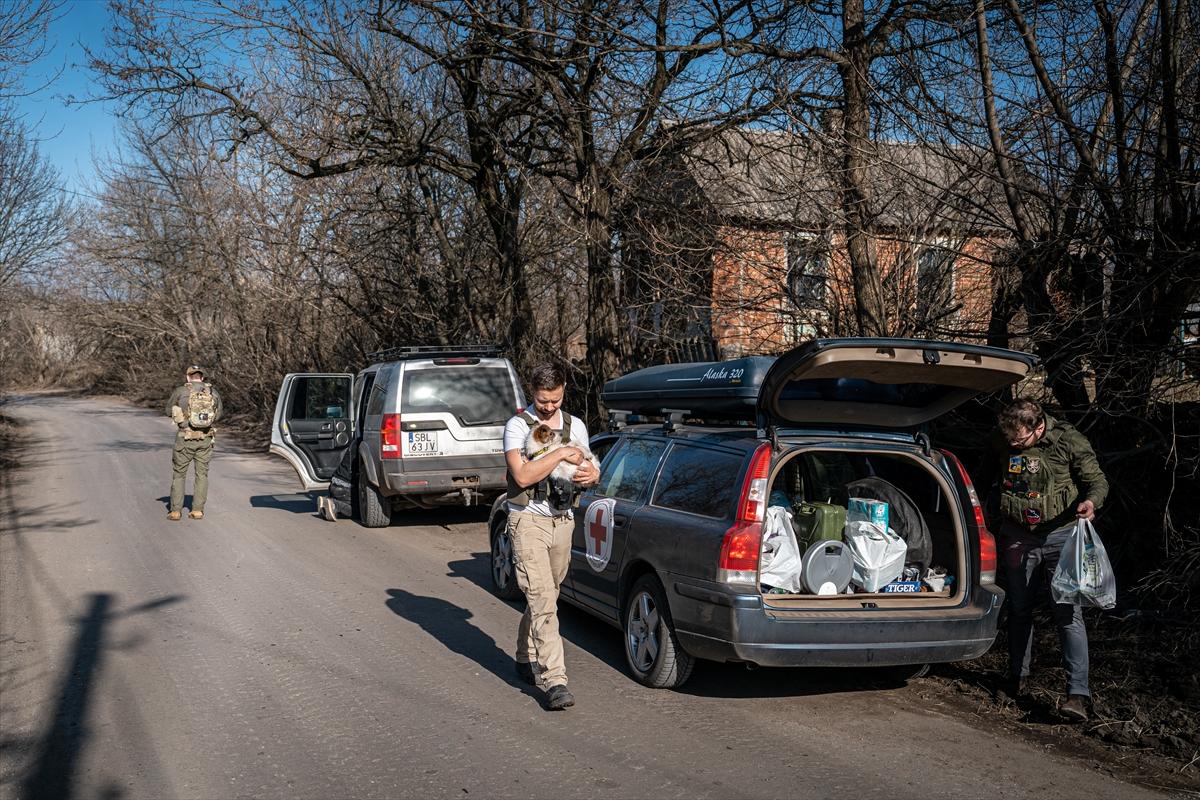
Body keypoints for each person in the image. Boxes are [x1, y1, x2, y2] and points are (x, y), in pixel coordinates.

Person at [986, 397, 1109, 721]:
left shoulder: (1069, 440)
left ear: (1039, 426)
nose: (1013, 444)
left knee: (1068, 613)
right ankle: (1017, 679)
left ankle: (1078, 696)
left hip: (1060, 537)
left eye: (1020, 438)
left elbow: (1097, 481)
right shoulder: (1003, 440)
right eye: (1009, 438)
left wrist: (1091, 502)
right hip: (1018, 536)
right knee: (1019, 608)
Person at [503, 363, 599, 710]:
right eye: (543, 401)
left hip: (563, 521)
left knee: (548, 595)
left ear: (563, 391)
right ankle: (555, 681)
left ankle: (524, 655)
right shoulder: (517, 427)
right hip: (528, 520)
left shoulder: (576, 426)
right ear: (533, 393)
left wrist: (589, 475)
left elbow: (586, 469)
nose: (549, 407)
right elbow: (524, 475)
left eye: (555, 400)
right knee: (542, 597)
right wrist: (559, 451)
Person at [165, 365, 223, 521]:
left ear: (188, 377)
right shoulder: (213, 392)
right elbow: (219, 415)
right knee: (202, 474)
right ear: (202, 377)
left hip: (185, 438)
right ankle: (197, 510)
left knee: (179, 475)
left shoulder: (181, 391)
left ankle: (176, 511)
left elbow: (167, 410)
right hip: (205, 439)